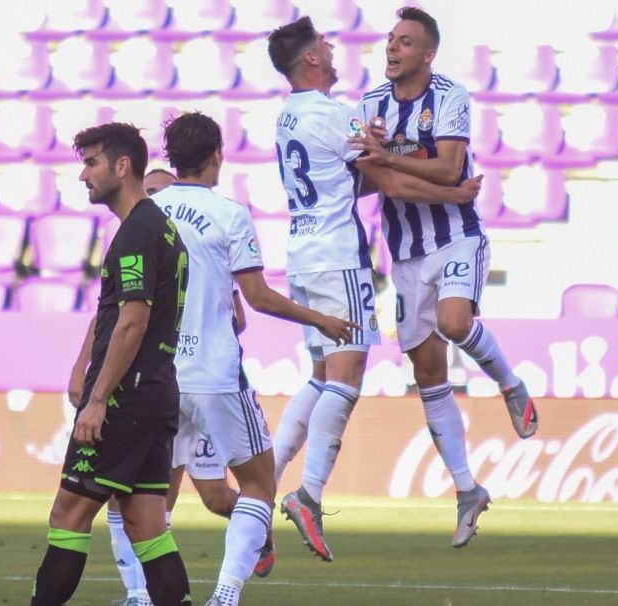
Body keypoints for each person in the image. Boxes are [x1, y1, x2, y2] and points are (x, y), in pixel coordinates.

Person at [266, 16, 484, 561]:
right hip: (338, 257)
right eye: (323, 45)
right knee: (347, 375)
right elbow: (383, 178)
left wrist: (378, 154)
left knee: (319, 375)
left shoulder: (288, 115)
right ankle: (309, 494)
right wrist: (453, 197)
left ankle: (261, 485)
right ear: (310, 60)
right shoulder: (338, 115)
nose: (332, 48)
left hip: (300, 253)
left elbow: (357, 175)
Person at [152, 111, 358, 606]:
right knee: (258, 484)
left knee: (154, 494)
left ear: (172, 158)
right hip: (215, 373)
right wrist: (322, 321)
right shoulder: (229, 214)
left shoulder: (149, 211)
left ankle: (142, 593)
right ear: (217, 155)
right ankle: (224, 595)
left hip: (160, 374)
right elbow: (259, 297)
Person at [352, 6, 539, 547]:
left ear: (427, 53)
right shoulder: (370, 105)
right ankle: (466, 489)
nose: (392, 48)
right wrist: (404, 168)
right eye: (391, 39)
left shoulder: (451, 97)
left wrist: (391, 157)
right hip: (405, 255)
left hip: (457, 238)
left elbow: (450, 166)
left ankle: (510, 383)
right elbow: (384, 183)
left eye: (405, 42)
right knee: (429, 376)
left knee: (456, 323)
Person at [30, 122, 191, 606]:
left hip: (128, 396)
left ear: (123, 166)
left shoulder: (138, 232)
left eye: (92, 162)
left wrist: (99, 398)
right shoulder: (158, 228)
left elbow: (131, 324)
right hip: (158, 390)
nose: (83, 175)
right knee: (146, 523)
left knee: (68, 513)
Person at [91, 168, 239, 606]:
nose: (154, 202)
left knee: (213, 498)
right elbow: (110, 314)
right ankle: (140, 593)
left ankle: (253, 524)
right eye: (151, 192)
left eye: (161, 193)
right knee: (142, 499)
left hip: (181, 383)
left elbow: (240, 316)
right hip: (161, 385)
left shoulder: (182, 248)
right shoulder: (135, 244)